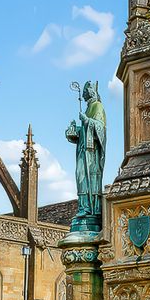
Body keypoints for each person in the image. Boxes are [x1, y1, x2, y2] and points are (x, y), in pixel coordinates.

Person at [65, 80, 106, 228]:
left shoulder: (97, 106)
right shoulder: (89, 108)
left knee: (89, 178)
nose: (84, 94)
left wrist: (87, 121)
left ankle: (90, 209)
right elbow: (85, 131)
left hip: (92, 154)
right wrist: (75, 129)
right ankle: (83, 207)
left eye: (86, 91)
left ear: (92, 92)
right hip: (83, 151)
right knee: (80, 176)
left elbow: (100, 128)